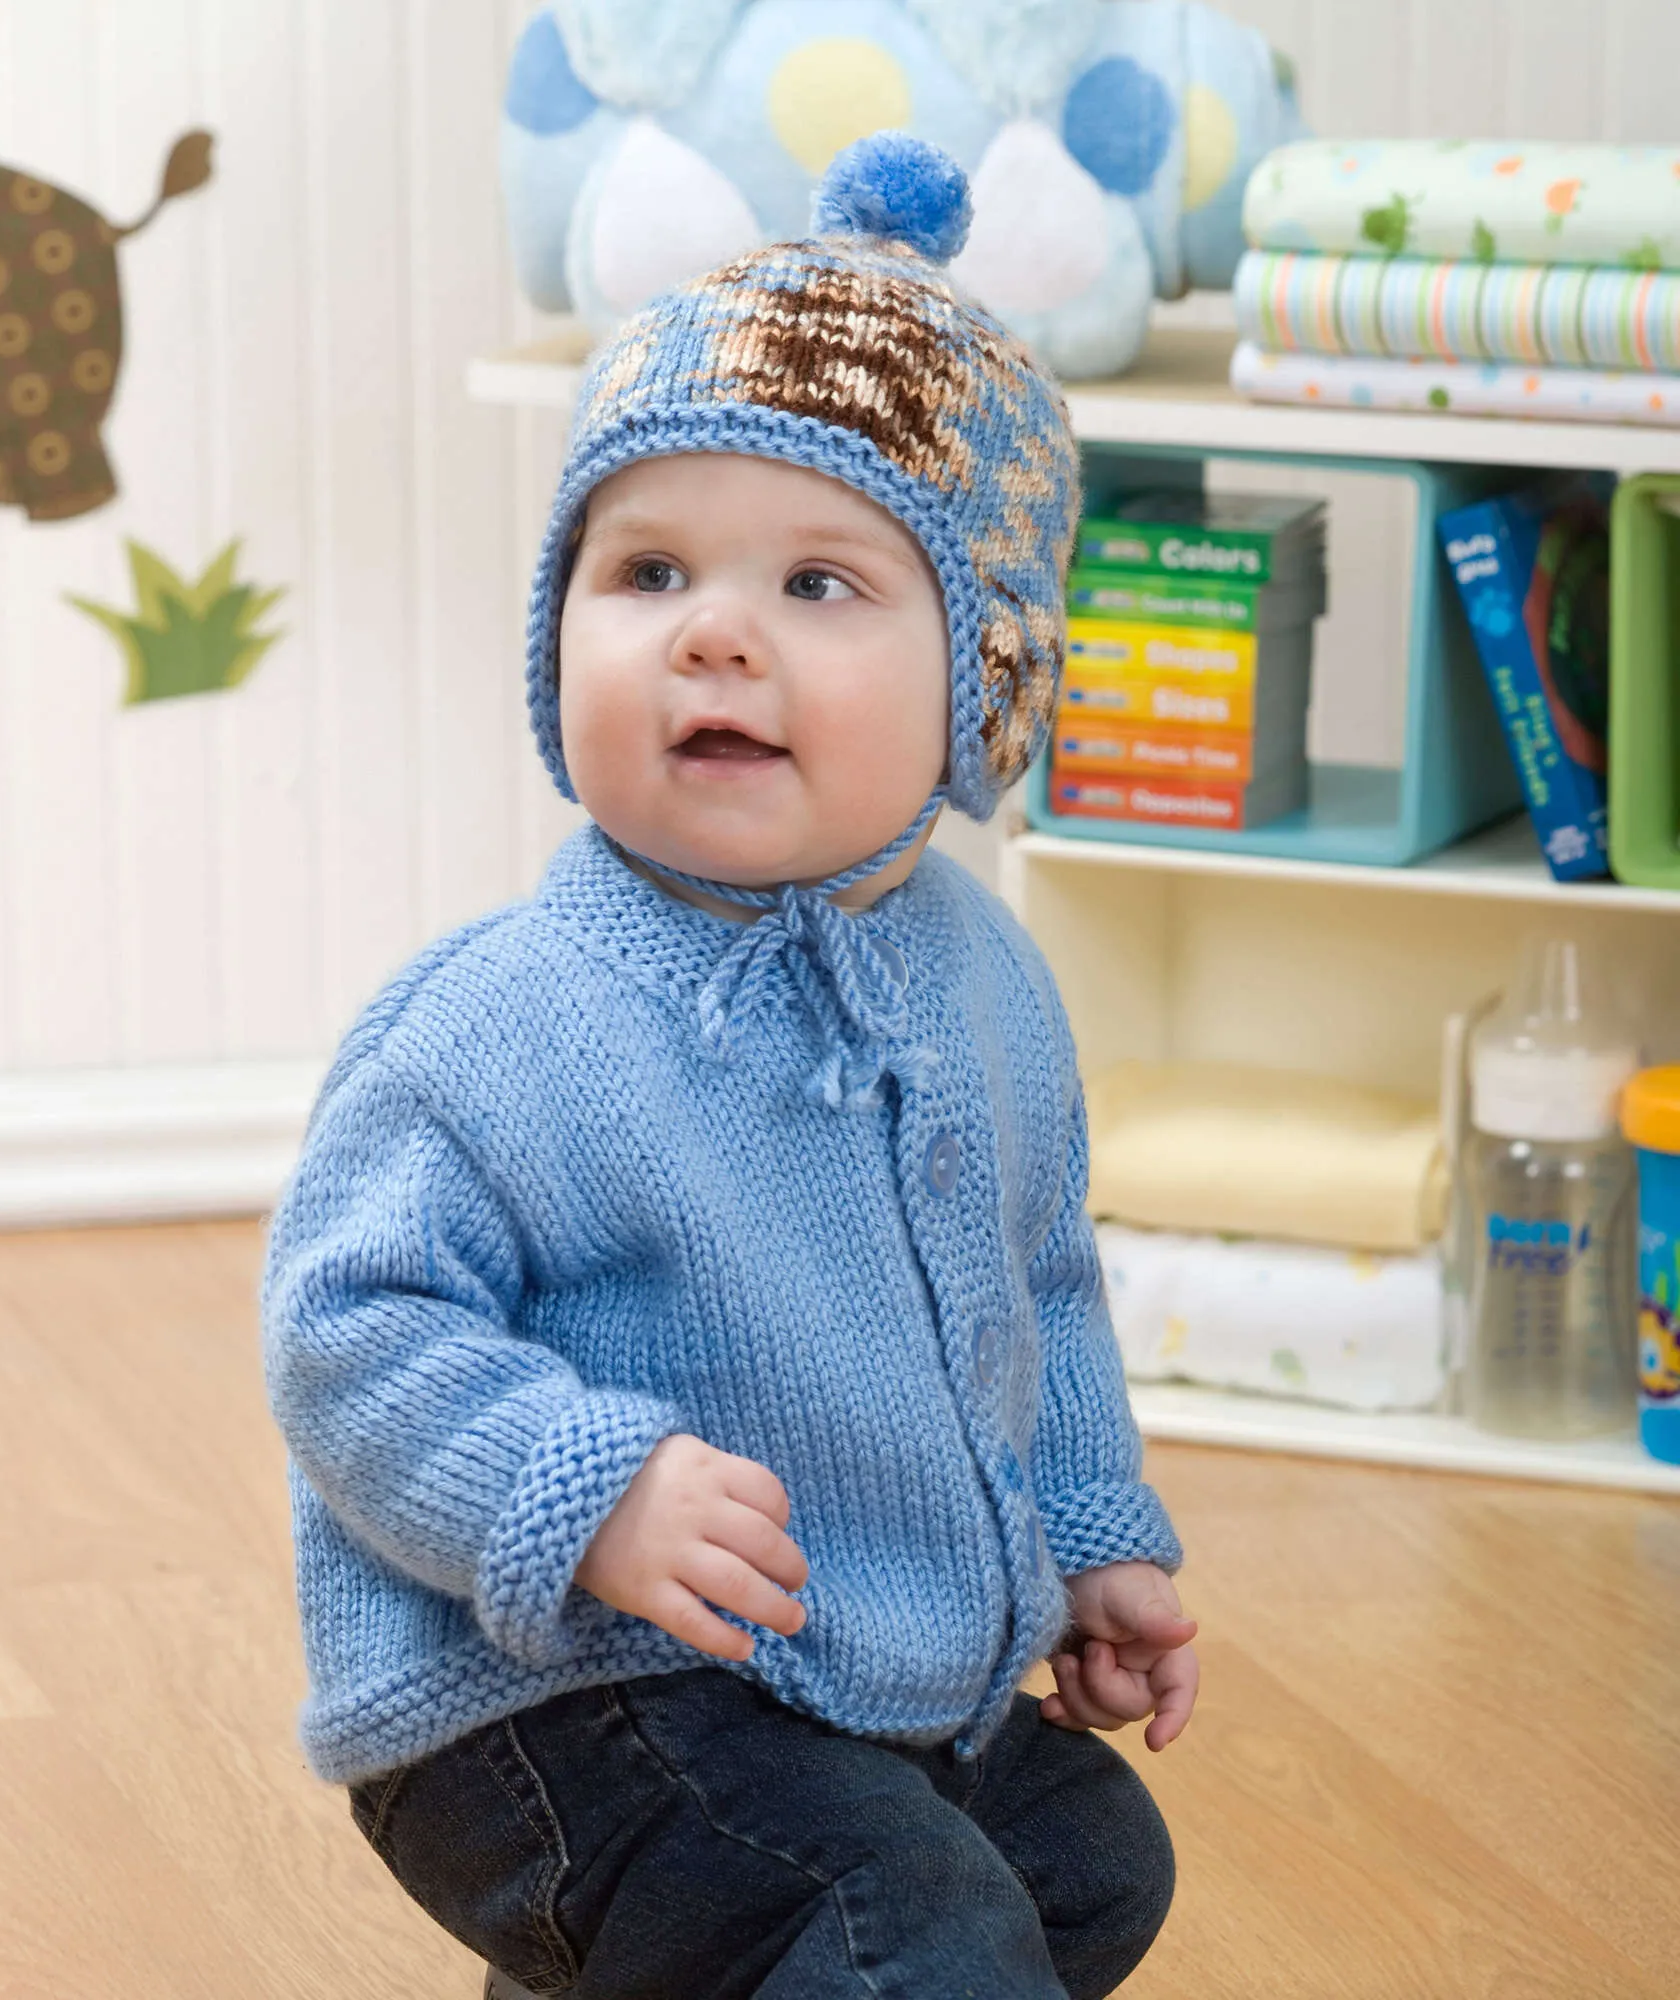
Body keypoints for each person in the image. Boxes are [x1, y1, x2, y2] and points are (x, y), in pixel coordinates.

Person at [262, 133, 1199, 2000]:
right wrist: (582, 1493)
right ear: (560, 636)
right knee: (892, 1929)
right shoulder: (504, 1021)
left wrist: (1091, 1536)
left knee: (1094, 1863)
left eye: (822, 587)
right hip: (541, 1693)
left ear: (984, 682)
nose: (712, 629)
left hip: (846, 1664)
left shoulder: (990, 984)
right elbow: (345, 1331)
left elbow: (1043, 1283)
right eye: (651, 567)